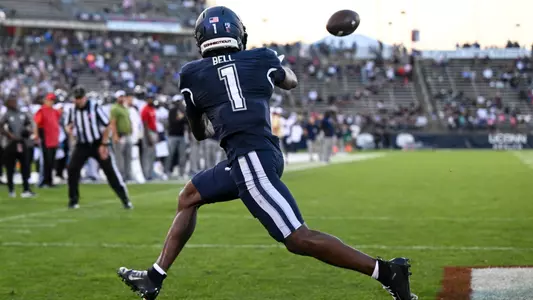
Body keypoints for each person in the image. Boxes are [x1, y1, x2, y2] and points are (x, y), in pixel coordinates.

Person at [117, 6, 417, 300]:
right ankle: (154, 278)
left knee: (298, 238)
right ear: (238, 34)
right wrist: (274, 66)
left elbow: (199, 133)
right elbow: (291, 81)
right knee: (189, 196)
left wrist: (222, 118)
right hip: (256, 156)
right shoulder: (261, 57)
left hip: (250, 160)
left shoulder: (191, 74)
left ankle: (387, 271)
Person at [65, 86, 132, 209]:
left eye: (80, 98)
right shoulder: (71, 110)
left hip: (98, 143)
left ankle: (125, 199)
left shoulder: (94, 107)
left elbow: (107, 126)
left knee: (110, 171)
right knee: (72, 169)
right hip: (82, 144)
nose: (78, 101)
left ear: (85, 97)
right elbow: (68, 125)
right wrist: (70, 131)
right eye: (76, 98)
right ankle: (73, 200)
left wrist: (104, 144)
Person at [0, 94, 36, 198]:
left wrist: (28, 131)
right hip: (9, 144)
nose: (14, 103)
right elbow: (1, 126)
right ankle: (11, 189)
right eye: (12, 101)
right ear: (8, 103)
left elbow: (29, 123)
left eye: (15, 101)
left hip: (21, 142)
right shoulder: (6, 114)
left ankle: (26, 189)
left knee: (25, 166)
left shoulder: (22, 113)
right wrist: (9, 134)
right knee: (10, 167)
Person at [34, 92, 61, 188]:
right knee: (46, 161)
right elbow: (36, 124)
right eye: (50, 100)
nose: (51, 102)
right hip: (45, 138)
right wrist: (36, 136)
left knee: (52, 161)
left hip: (54, 139)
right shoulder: (41, 111)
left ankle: (49, 181)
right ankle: (44, 181)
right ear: (45, 100)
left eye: (53, 100)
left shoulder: (54, 111)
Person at [110, 90, 133, 181]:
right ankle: (120, 176)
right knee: (119, 157)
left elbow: (128, 120)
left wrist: (131, 129)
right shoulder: (114, 108)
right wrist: (115, 135)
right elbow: (113, 123)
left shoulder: (125, 108)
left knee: (128, 156)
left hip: (127, 135)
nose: (122, 98)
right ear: (117, 97)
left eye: (123, 96)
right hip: (120, 135)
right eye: (120, 96)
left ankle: (128, 175)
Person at [140, 93, 158, 181]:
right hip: (148, 133)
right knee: (147, 155)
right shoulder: (145, 109)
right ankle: (146, 174)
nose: (151, 100)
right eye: (149, 98)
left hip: (153, 132)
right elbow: (145, 124)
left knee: (152, 155)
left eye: (152, 98)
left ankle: (150, 173)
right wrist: (148, 137)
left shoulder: (152, 108)